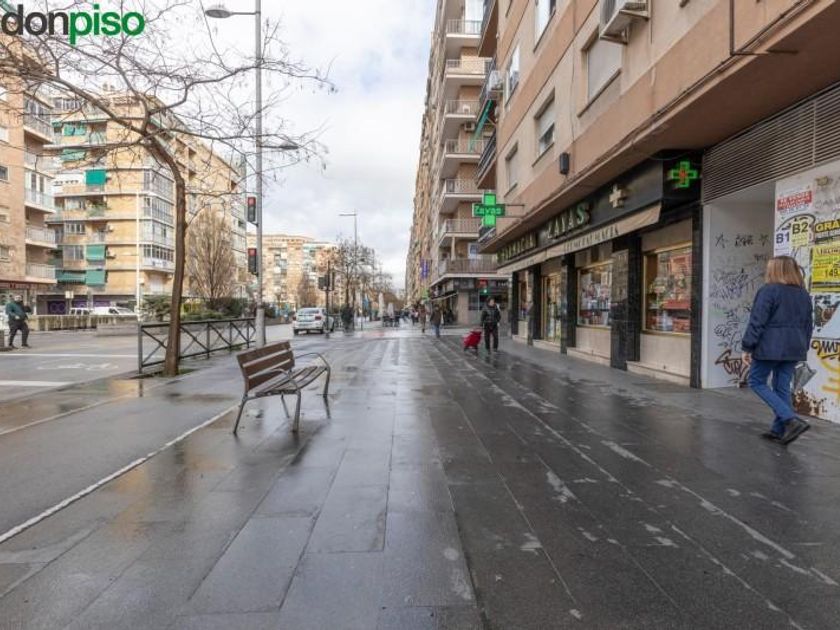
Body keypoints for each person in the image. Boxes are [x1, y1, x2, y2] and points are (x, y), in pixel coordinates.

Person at [742, 256, 813, 445]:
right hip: (794, 346)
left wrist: (748, 347)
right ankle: (779, 430)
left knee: (756, 381)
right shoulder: (803, 294)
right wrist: (803, 346)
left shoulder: (769, 291)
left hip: (770, 347)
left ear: (774, 270)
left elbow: (757, 321)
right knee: (781, 386)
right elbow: (808, 325)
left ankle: (790, 419)